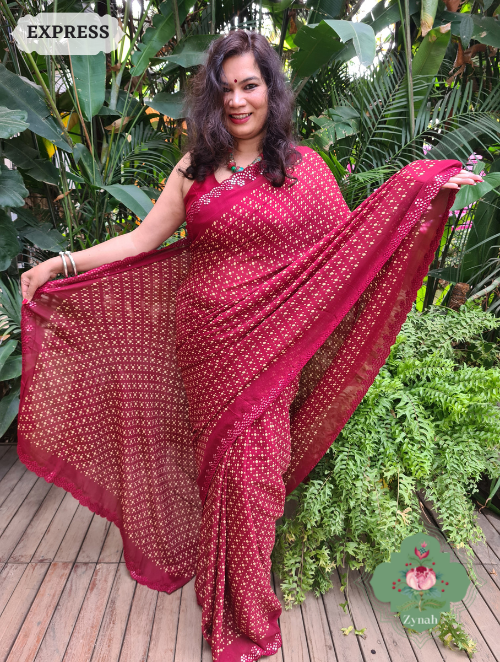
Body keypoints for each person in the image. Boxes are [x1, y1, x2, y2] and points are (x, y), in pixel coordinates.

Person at [18, 30, 481, 662]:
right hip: (207, 343)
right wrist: (63, 263)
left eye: (250, 85)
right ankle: (228, 597)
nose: (238, 100)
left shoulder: (306, 169)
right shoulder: (196, 168)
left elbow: (349, 253)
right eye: (226, 87)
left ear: (272, 91)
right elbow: (139, 243)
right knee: (225, 475)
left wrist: (425, 191)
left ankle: (244, 608)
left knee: (256, 478)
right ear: (212, 96)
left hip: (271, 348)